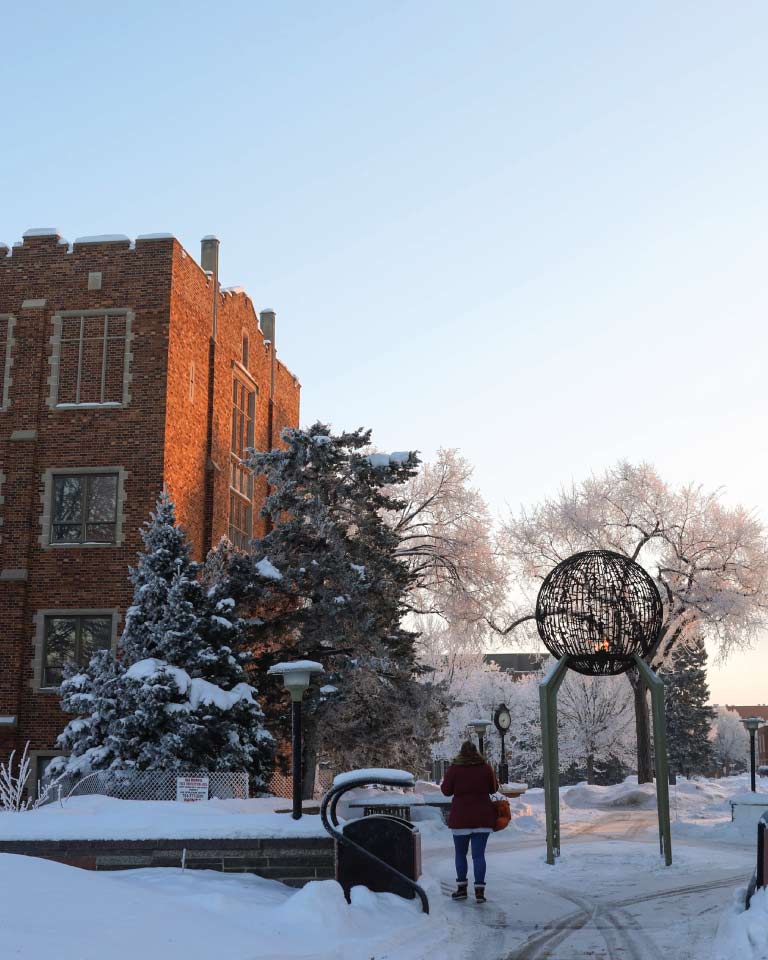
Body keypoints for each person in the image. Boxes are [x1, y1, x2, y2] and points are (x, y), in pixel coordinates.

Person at [440, 739, 499, 903]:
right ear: (476, 753)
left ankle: (461, 889)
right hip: (482, 818)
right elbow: (494, 788)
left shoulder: (454, 769)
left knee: (460, 854)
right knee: (478, 856)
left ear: (461, 752)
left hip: (461, 818)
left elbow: (446, 791)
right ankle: (479, 891)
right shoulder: (486, 768)